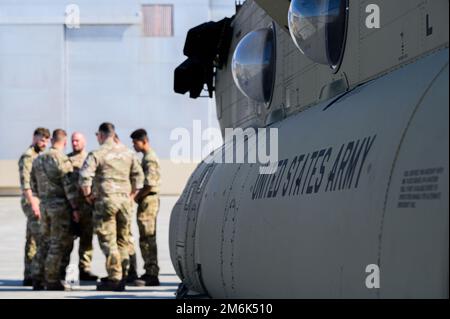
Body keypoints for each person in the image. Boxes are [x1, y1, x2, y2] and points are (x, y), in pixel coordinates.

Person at [79, 123, 144, 291]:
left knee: (108, 241)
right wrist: (130, 197)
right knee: (123, 240)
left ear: (101, 135)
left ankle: (115, 278)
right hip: (124, 202)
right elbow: (139, 178)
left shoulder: (97, 153)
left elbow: (85, 176)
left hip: (106, 201)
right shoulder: (128, 153)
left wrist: (88, 196)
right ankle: (122, 274)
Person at [31, 129, 79, 290]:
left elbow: (33, 185)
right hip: (59, 207)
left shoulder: (38, 159)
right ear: (64, 142)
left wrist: (43, 198)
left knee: (43, 242)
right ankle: (51, 280)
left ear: (52, 140)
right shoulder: (61, 159)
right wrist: (75, 208)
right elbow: (68, 186)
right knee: (57, 244)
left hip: (44, 204)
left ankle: (37, 278)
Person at [61, 132, 98, 281]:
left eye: (77, 140)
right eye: (72, 141)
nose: (74, 143)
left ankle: (85, 268)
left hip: (87, 208)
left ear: (84, 141)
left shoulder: (90, 158)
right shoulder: (67, 160)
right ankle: (62, 269)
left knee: (87, 240)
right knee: (66, 241)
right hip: (71, 207)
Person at [18, 127, 50, 286]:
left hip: (38, 200)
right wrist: (34, 205)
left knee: (31, 238)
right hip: (32, 200)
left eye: (46, 140)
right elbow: (25, 185)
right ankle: (37, 274)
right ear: (34, 137)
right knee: (39, 237)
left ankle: (29, 274)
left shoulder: (39, 156)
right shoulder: (28, 157)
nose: (44, 143)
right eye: (41, 139)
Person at [130, 129, 161, 286]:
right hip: (147, 200)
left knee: (148, 237)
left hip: (149, 201)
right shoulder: (146, 158)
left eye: (135, 143)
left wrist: (137, 196)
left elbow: (150, 184)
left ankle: (152, 273)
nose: (134, 146)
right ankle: (149, 271)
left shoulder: (149, 159)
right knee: (145, 237)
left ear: (143, 141)